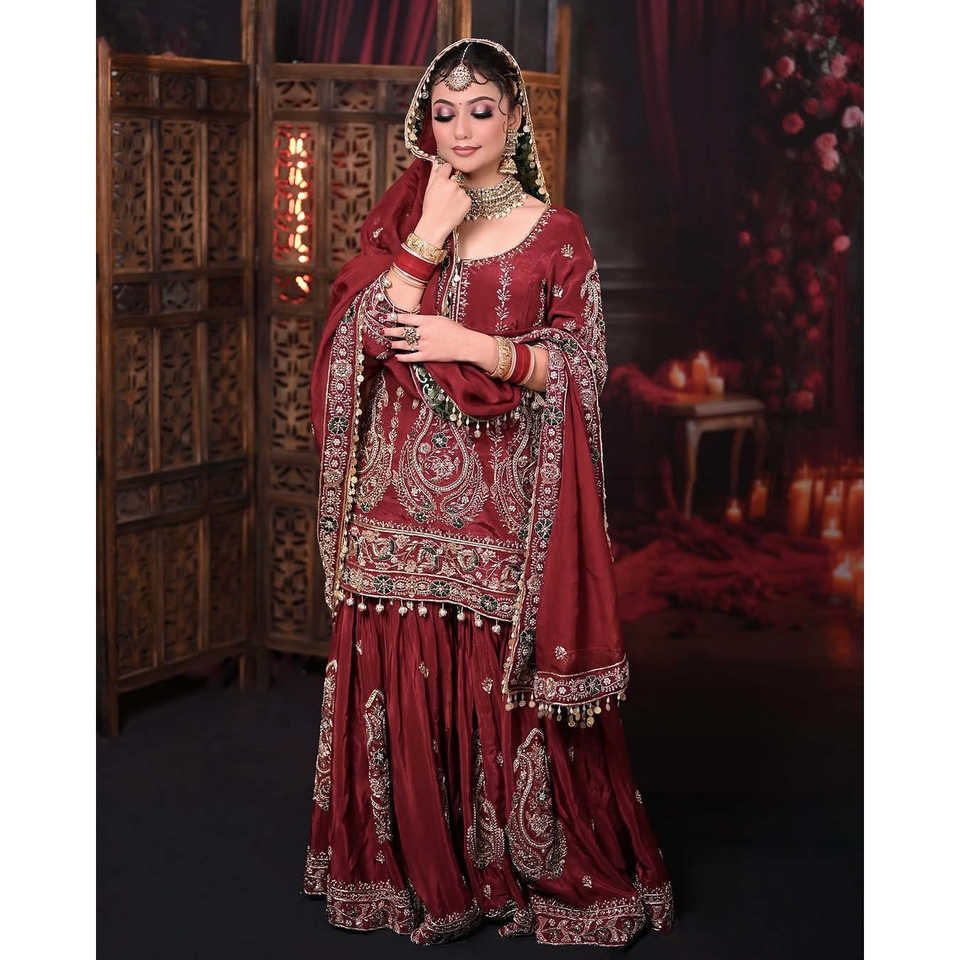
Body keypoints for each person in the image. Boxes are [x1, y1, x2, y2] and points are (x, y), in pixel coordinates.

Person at [302, 37, 675, 947]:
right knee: (398, 659)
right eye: (444, 112)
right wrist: (428, 232)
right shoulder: (409, 213)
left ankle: (510, 864)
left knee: (497, 671)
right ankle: (414, 872)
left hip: (503, 500)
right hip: (395, 499)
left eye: (481, 110)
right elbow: (371, 334)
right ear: (425, 123)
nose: (462, 129)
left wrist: (473, 346)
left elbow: (580, 366)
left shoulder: (557, 234)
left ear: (515, 118)